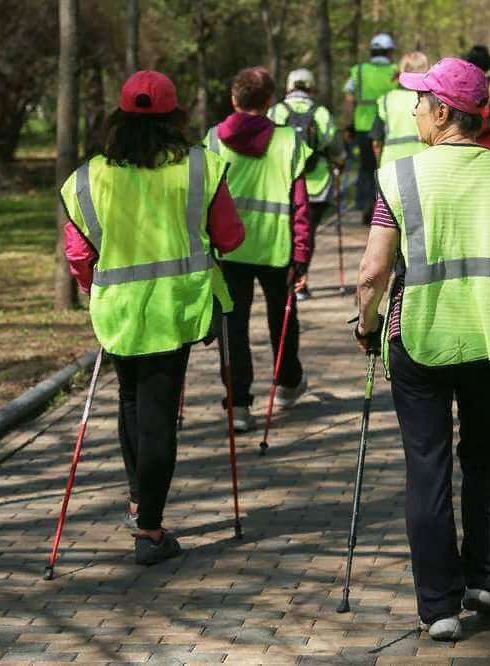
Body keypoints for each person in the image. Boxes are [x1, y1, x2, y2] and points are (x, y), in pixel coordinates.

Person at [354, 57, 490, 641]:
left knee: (428, 467)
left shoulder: (400, 177)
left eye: (420, 102)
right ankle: (487, 580)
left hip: (417, 338)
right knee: (487, 455)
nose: (414, 110)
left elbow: (372, 272)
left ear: (443, 112)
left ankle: (439, 606)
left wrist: (366, 326)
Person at [61, 70, 245, 565]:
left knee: (130, 399)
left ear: (118, 117)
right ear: (175, 116)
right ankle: (149, 531)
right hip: (176, 306)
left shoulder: (88, 177)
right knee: (159, 412)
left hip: (118, 310)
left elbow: (79, 254)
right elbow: (230, 238)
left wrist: (90, 285)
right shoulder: (200, 168)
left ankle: (139, 499)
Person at [206, 66, 313, 432]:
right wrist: (301, 255)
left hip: (227, 250)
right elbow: (301, 204)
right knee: (283, 318)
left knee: (232, 327)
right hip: (276, 249)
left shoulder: (213, 139)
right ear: (270, 102)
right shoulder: (290, 141)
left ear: (234, 99)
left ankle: (238, 405)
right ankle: (286, 382)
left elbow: (202, 198)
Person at [269, 68, 347, 300]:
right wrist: (340, 163)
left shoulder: (277, 111)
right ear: (312, 88)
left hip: (282, 182)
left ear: (288, 87)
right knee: (307, 232)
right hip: (316, 183)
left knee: (285, 230)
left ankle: (283, 279)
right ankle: (301, 281)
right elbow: (335, 147)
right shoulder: (321, 113)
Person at [343, 33, 398, 224]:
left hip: (363, 127)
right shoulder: (395, 71)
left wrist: (347, 126)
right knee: (386, 168)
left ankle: (367, 206)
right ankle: (386, 209)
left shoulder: (358, 71)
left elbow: (349, 102)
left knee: (366, 169)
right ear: (389, 52)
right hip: (389, 127)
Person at [371, 51, 430, 166]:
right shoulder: (431, 99)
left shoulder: (387, 100)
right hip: (425, 164)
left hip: (392, 165)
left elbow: (376, 143)